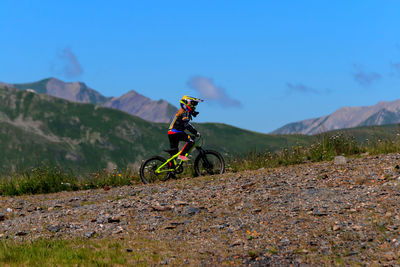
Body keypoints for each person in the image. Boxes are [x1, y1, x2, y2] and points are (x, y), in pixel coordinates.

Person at [168, 95, 202, 161]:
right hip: (176, 132)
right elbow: (186, 124)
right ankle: (182, 155)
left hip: (171, 133)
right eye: (193, 104)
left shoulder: (181, 111)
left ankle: (171, 169)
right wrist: (195, 132)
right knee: (191, 140)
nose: (194, 106)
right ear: (188, 103)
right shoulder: (186, 112)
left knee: (173, 152)